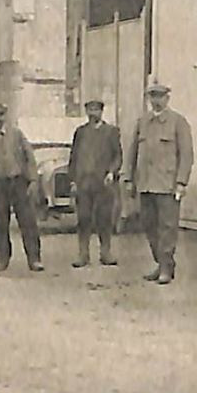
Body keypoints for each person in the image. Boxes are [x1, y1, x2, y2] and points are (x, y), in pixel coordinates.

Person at [122, 79, 193, 285]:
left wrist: (181, 182)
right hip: (145, 183)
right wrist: (128, 178)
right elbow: (132, 152)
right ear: (148, 99)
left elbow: (186, 154)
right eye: (152, 96)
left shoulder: (178, 122)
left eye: (160, 96)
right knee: (149, 225)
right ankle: (162, 262)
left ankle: (165, 267)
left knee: (167, 227)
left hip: (167, 184)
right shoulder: (142, 122)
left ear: (167, 98)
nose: (156, 101)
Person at [0, 103, 43, 272]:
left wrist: (33, 179)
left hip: (18, 182)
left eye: (0, 116)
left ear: (5, 116)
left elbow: (30, 156)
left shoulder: (17, 134)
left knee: (27, 221)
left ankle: (34, 258)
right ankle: (2, 259)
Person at [68, 98, 121, 267]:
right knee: (83, 218)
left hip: (103, 183)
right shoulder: (80, 132)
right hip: (84, 183)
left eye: (96, 110)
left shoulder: (111, 132)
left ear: (101, 112)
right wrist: (73, 180)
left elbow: (118, 156)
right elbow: (73, 158)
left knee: (104, 218)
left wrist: (112, 172)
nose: (92, 113)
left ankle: (105, 252)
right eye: (90, 110)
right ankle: (83, 254)